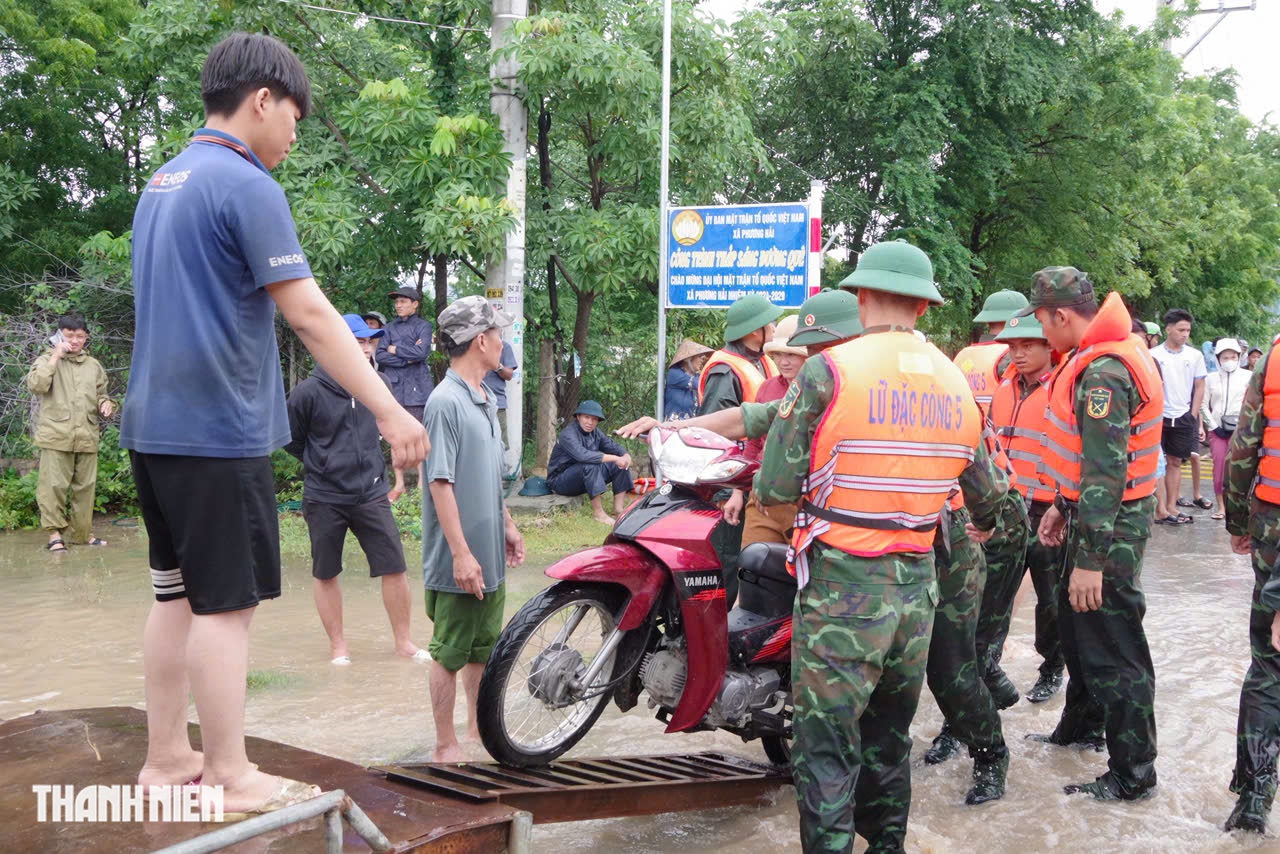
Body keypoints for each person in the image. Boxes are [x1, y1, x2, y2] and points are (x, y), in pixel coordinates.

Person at [123, 32, 429, 815]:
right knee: (226, 607)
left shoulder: (164, 181)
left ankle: (167, 760)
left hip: (152, 428)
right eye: (294, 116)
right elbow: (312, 317)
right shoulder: (246, 183)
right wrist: (390, 409)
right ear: (263, 99)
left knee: (174, 597)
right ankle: (229, 774)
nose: (294, 134)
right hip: (216, 431)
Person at [755, 240, 1005, 851]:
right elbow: (988, 496)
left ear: (861, 296)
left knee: (826, 749)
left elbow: (774, 487)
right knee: (888, 742)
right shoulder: (955, 380)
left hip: (842, 590)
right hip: (916, 591)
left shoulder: (828, 371)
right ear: (924, 306)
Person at [1022, 268, 1162, 801]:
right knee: (1080, 634)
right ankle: (1081, 729)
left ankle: (1133, 774)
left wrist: (1090, 562)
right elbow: (1088, 460)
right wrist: (1062, 505)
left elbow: (1107, 471)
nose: (1041, 331)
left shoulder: (1105, 372)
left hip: (1111, 528)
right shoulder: (1100, 355)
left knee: (1114, 646)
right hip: (1091, 517)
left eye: (1041, 320)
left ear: (1061, 315)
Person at [285, 314, 428, 666]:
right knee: (326, 571)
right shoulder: (306, 393)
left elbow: (392, 428)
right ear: (336, 345)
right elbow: (291, 440)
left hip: (371, 493)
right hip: (324, 496)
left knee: (395, 567)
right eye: (358, 341)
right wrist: (323, 462)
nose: (367, 348)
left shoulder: (379, 385)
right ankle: (338, 647)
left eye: (369, 342)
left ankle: (404, 642)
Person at [421, 295, 525, 763]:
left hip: (489, 554)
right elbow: (440, 483)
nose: (502, 341)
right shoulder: (444, 402)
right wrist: (461, 554)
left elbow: (489, 477)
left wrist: (507, 525)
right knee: (449, 652)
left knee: (483, 650)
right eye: (498, 333)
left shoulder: (484, 397)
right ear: (481, 341)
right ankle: (445, 744)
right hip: (458, 559)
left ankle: (475, 731)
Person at [740, 299, 863, 548]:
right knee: (752, 563)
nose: (783, 361)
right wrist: (741, 489)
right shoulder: (767, 388)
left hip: (806, 501)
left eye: (792, 355)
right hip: (762, 498)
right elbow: (753, 438)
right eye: (778, 355)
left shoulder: (835, 391)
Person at [990, 314, 1064, 702]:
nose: (1017, 354)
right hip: (1006, 508)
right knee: (992, 598)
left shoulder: (1064, 388)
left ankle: (1052, 667)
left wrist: (1064, 506)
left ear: (1049, 346)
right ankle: (986, 668)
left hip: (1049, 511)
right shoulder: (1004, 389)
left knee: (1051, 601)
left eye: (1027, 346)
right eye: (1012, 347)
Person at [1223, 339, 1280, 832]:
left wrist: (1238, 519)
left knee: (1269, 661)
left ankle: (1254, 793)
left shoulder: (1273, 360)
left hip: (1272, 524)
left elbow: (1244, 447)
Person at [699, 293, 782, 606]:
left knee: (754, 558)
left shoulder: (762, 360)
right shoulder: (724, 371)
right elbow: (718, 433)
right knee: (729, 559)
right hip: (732, 481)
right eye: (770, 324)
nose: (774, 329)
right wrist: (728, 489)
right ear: (754, 331)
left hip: (754, 475)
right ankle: (721, 628)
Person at [26, 312, 114, 552]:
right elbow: (37, 385)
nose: (75, 341)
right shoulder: (46, 359)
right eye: (70, 335)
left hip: (87, 435)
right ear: (59, 335)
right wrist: (56, 356)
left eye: (80, 336)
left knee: (85, 489)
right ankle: (54, 535)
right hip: (56, 435)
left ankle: (82, 535)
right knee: (52, 487)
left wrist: (106, 404)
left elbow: (102, 394)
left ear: (86, 337)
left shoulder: (93, 365)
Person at [1150, 308, 1208, 524]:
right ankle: (1159, 508)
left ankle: (1172, 505)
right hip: (1158, 416)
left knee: (1175, 461)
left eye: (1188, 330)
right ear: (1168, 329)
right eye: (1181, 330)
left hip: (1183, 416)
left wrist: (1193, 414)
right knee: (1156, 462)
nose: (1185, 334)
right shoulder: (1154, 354)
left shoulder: (1195, 356)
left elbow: (1200, 386)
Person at [547, 401, 635, 525]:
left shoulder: (595, 432)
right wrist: (615, 458)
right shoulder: (568, 434)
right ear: (578, 417)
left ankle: (619, 510)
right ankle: (599, 514)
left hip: (582, 478)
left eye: (594, 419)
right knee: (590, 464)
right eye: (586, 417)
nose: (590, 422)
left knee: (620, 465)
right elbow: (583, 456)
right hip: (560, 481)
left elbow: (612, 446)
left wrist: (625, 456)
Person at [954, 289, 1028, 418]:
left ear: (988, 322)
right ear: (1017, 321)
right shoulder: (1011, 356)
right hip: (997, 429)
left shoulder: (962, 355)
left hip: (966, 427)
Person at [1201, 338, 1250, 520]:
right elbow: (1202, 405)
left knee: (1241, 469)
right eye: (1225, 357)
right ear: (1218, 358)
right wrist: (1213, 426)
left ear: (1239, 357)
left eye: (1233, 357)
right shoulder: (1210, 379)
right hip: (1218, 431)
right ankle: (1221, 507)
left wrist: (1244, 425)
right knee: (1219, 468)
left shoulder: (1249, 377)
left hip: (1241, 430)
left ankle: (1240, 506)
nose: (1229, 361)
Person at [377, 286, 435, 423]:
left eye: (403, 301)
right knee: (392, 432)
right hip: (393, 389)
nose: (398, 305)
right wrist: (406, 360)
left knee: (418, 431)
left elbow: (421, 353)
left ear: (415, 304)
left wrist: (395, 349)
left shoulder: (424, 326)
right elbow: (380, 355)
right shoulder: (389, 327)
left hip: (418, 390)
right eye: (397, 302)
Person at [483, 338, 518, 457]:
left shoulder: (504, 347)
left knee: (499, 446)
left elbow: (509, 375)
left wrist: (497, 365)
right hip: (474, 403)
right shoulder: (474, 344)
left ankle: (499, 469)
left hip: (497, 404)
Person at [663, 339, 713, 420]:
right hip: (673, 425)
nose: (702, 359)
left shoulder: (697, 377)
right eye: (700, 356)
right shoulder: (674, 373)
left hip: (691, 425)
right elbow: (700, 384)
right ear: (687, 359)